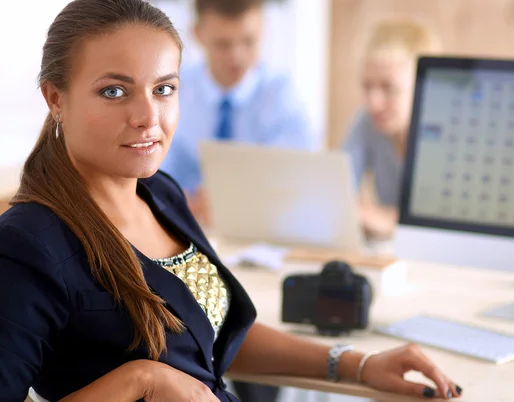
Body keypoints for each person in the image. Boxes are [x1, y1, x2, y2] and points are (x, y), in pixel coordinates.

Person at [0, 1, 462, 401]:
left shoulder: (159, 194)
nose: (148, 117)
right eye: (114, 91)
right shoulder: (28, 244)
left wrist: (356, 364)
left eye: (164, 89)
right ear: (55, 98)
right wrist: (139, 380)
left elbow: (215, 334)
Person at [160, 0, 315, 225]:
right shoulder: (172, 93)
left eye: (248, 42)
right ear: (197, 34)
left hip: (261, 230)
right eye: (223, 44)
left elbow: (297, 185)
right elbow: (153, 174)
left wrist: (233, 203)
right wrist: (174, 199)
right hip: (186, 226)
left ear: (263, 29)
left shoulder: (285, 98)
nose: (237, 56)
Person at [343, 18, 440, 239]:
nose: (373, 103)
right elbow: (337, 195)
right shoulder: (366, 123)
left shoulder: (441, 134)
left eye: (389, 88)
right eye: (367, 86)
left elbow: (440, 224)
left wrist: (383, 219)